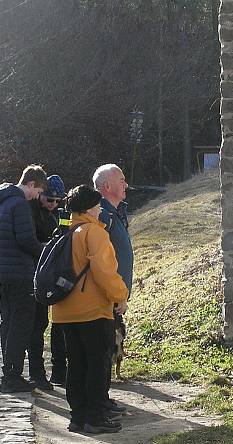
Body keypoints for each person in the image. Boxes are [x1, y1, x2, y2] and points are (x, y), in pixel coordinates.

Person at [51, 185, 129, 434]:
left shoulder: (66, 231)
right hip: (93, 310)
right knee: (96, 364)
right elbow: (104, 271)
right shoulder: (94, 233)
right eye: (97, 205)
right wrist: (120, 296)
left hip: (65, 310)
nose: (99, 209)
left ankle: (78, 416)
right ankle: (95, 417)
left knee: (76, 364)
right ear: (89, 208)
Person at [0, 165, 47, 393]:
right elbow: (26, 240)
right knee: (21, 325)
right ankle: (12, 375)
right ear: (31, 184)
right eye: (38, 191)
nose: (38, 196)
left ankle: (9, 371)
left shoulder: (0, 203)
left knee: (8, 322)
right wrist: (45, 251)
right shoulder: (20, 204)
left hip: (4, 273)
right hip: (22, 273)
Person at [93, 164, 134, 413]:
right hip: (106, 295)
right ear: (107, 186)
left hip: (116, 293)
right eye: (121, 179)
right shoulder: (102, 216)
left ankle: (103, 398)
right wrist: (114, 293)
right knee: (102, 348)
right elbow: (99, 260)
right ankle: (100, 402)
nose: (126, 184)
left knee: (108, 345)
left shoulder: (117, 212)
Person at [27, 174, 65, 390]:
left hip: (49, 275)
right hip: (35, 274)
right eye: (49, 199)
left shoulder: (53, 214)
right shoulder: (31, 213)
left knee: (48, 324)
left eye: (57, 201)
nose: (53, 204)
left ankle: (53, 370)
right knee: (37, 325)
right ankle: (36, 372)